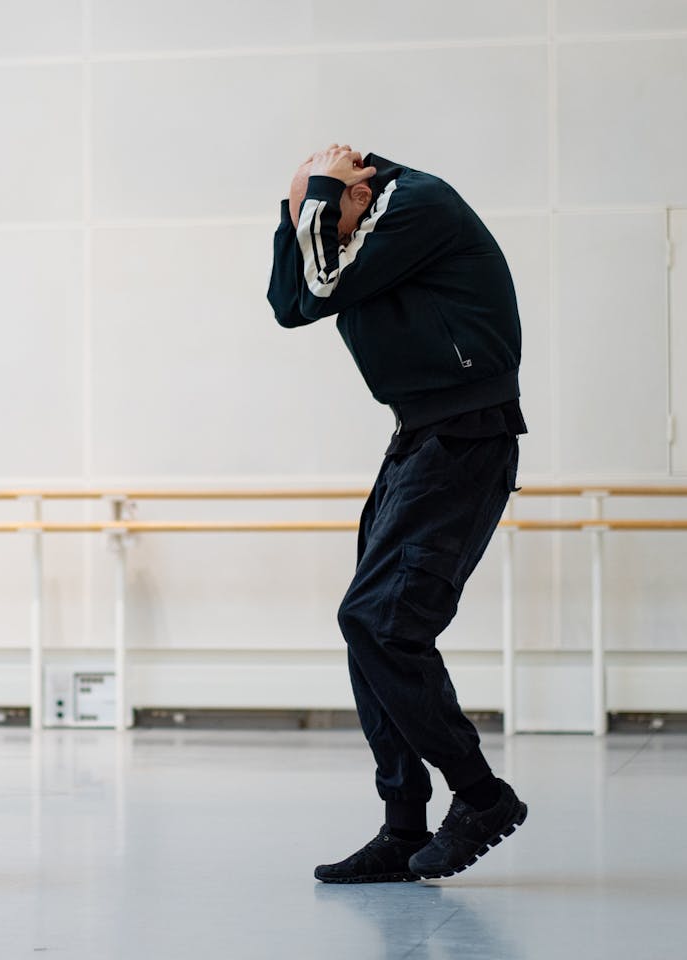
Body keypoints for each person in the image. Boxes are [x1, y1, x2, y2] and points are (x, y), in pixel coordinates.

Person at [267, 144, 528, 882]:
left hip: (466, 435)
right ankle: (403, 825)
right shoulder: (352, 227)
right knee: (367, 628)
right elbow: (293, 305)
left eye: (326, 217)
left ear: (359, 197)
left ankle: (481, 797)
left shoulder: (419, 206)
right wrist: (299, 210)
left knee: (381, 622)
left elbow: (318, 283)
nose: (325, 237)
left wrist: (314, 204)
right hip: (421, 437)